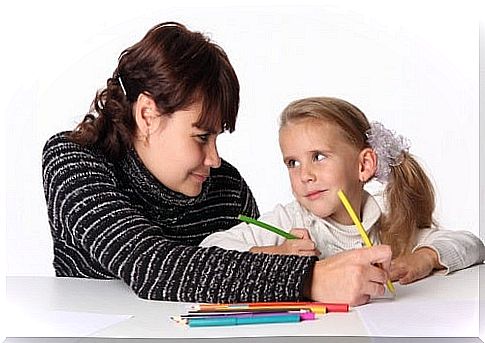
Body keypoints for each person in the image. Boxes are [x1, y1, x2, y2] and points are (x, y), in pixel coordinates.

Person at [42, 22, 392, 306]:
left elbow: (247, 287)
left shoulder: (227, 188)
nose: (214, 159)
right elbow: (150, 265)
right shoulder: (75, 162)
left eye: (217, 138)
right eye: (200, 137)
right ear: (147, 115)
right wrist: (308, 278)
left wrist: (273, 256)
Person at [200, 97, 485, 285]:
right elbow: (208, 253)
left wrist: (424, 258)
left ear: (364, 165)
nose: (305, 175)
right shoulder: (290, 224)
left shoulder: (389, 226)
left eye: (319, 157)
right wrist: (275, 254)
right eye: (292, 162)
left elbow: (472, 244)